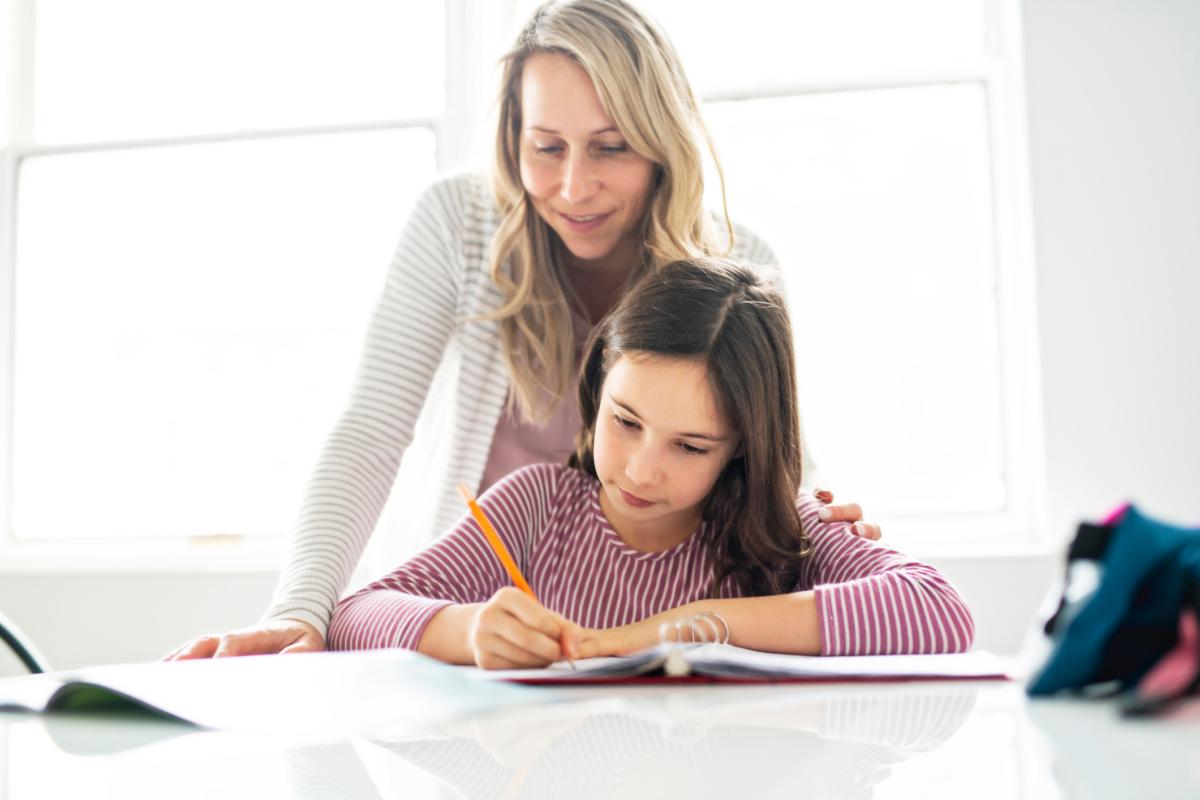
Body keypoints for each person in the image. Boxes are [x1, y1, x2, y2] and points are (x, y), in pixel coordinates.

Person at [165, 0, 879, 662]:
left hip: (644, 624)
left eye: (611, 147)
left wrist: (819, 529)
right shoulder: (458, 223)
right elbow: (372, 431)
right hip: (465, 620)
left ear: (663, 143)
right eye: (546, 147)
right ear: (512, 136)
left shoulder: (739, 265)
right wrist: (303, 609)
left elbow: (771, 454)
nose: (573, 187)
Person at [328, 259, 974, 667]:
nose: (639, 471)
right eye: (625, 422)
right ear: (599, 385)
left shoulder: (791, 534)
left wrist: (661, 635)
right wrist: (467, 631)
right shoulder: (536, 506)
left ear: (745, 442)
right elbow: (356, 616)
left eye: (690, 447)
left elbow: (940, 612)